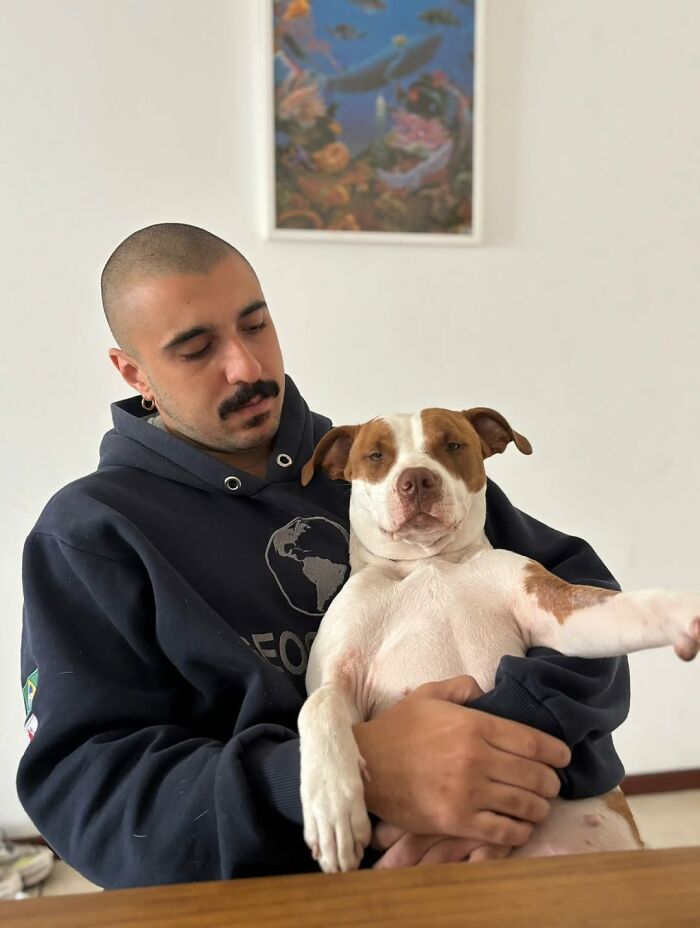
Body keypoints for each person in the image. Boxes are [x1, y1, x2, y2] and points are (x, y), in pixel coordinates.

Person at [18, 223, 629, 888]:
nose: (247, 367)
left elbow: (590, 610)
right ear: (133, 371)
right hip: (277, 892)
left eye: (256, 325)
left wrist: (491, 755)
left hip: (511, 834)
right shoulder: (92, 536)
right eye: (196, 349)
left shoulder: (384, 471)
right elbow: (92, 798)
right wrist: (348, 776)